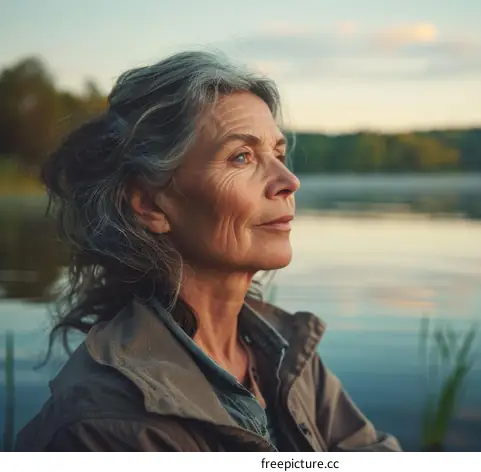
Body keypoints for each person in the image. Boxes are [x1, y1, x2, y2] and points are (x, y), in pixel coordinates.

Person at [15, 51, 401, 452]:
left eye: (279, 155)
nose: (289, 181)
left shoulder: (287, 352)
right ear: (150, 204)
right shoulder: (109, 423)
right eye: (242, 157)